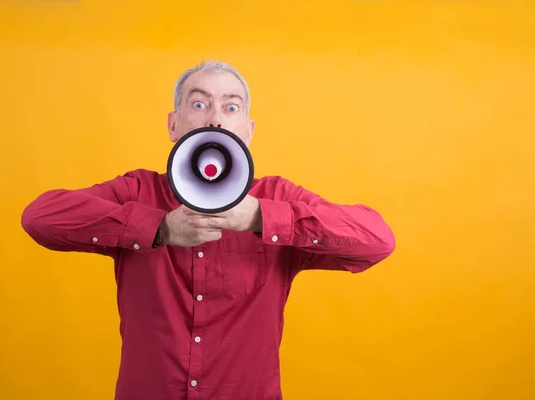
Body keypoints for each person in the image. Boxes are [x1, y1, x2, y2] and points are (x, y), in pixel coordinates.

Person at [21, 60, 396, 400]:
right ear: (173, 124)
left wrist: (263, 219)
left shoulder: (277, 198)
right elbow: (40, 217)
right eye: (199, 104)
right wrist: (159, 227)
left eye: (231, 107)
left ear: (247, 131)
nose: (215, 118)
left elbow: (377, 240)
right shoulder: (137, 192)